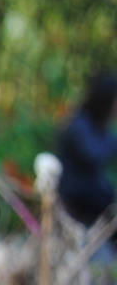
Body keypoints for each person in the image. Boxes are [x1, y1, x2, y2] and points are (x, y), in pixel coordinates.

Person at [57, 73, 117, 227]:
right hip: (73, 188)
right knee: (107, 200)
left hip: (88, 187)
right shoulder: (80, 124)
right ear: (106, 98)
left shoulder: (98, 124)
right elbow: (92, 157)